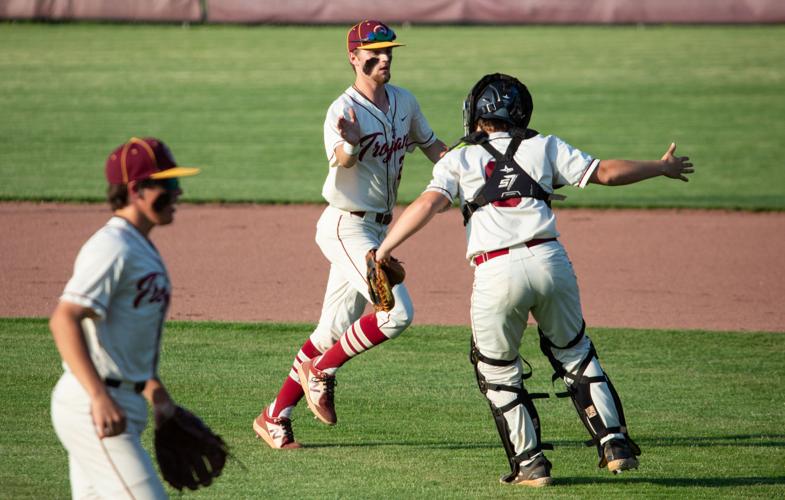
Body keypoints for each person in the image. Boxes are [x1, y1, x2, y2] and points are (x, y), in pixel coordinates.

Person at [375, 73, 694, 486]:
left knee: (497, 370)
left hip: (496, 271)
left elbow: (429, 203)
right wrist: (661, 167)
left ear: (475, 113)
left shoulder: (459, 158)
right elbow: (608, 173)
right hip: (550, 260)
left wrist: (384, 249)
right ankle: (614, 443)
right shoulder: (544, 146)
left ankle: (531, 465)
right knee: (576, 352)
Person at [253, 19, 448, 449]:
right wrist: (353, 143)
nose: (384, 58)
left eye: (389, 51)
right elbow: (342, 159)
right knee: (396, 313)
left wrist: (473, 168)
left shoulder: (404, 102)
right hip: (345, 224)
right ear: (354, 57)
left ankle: (273, 416)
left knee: (330, 331)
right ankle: (321, 371)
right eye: (374, 53)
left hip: (378, 231)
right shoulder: (342, 110)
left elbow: (434, 148)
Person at [49, 137, 200, 498]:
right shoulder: (112, 246)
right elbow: (64, 318)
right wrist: (99, 396)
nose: (178, 193)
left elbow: (122, 336)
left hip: (121, 402)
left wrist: (155, 392)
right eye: (169, 184)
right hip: (94, 405)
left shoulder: (139, 245)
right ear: (136, 190)